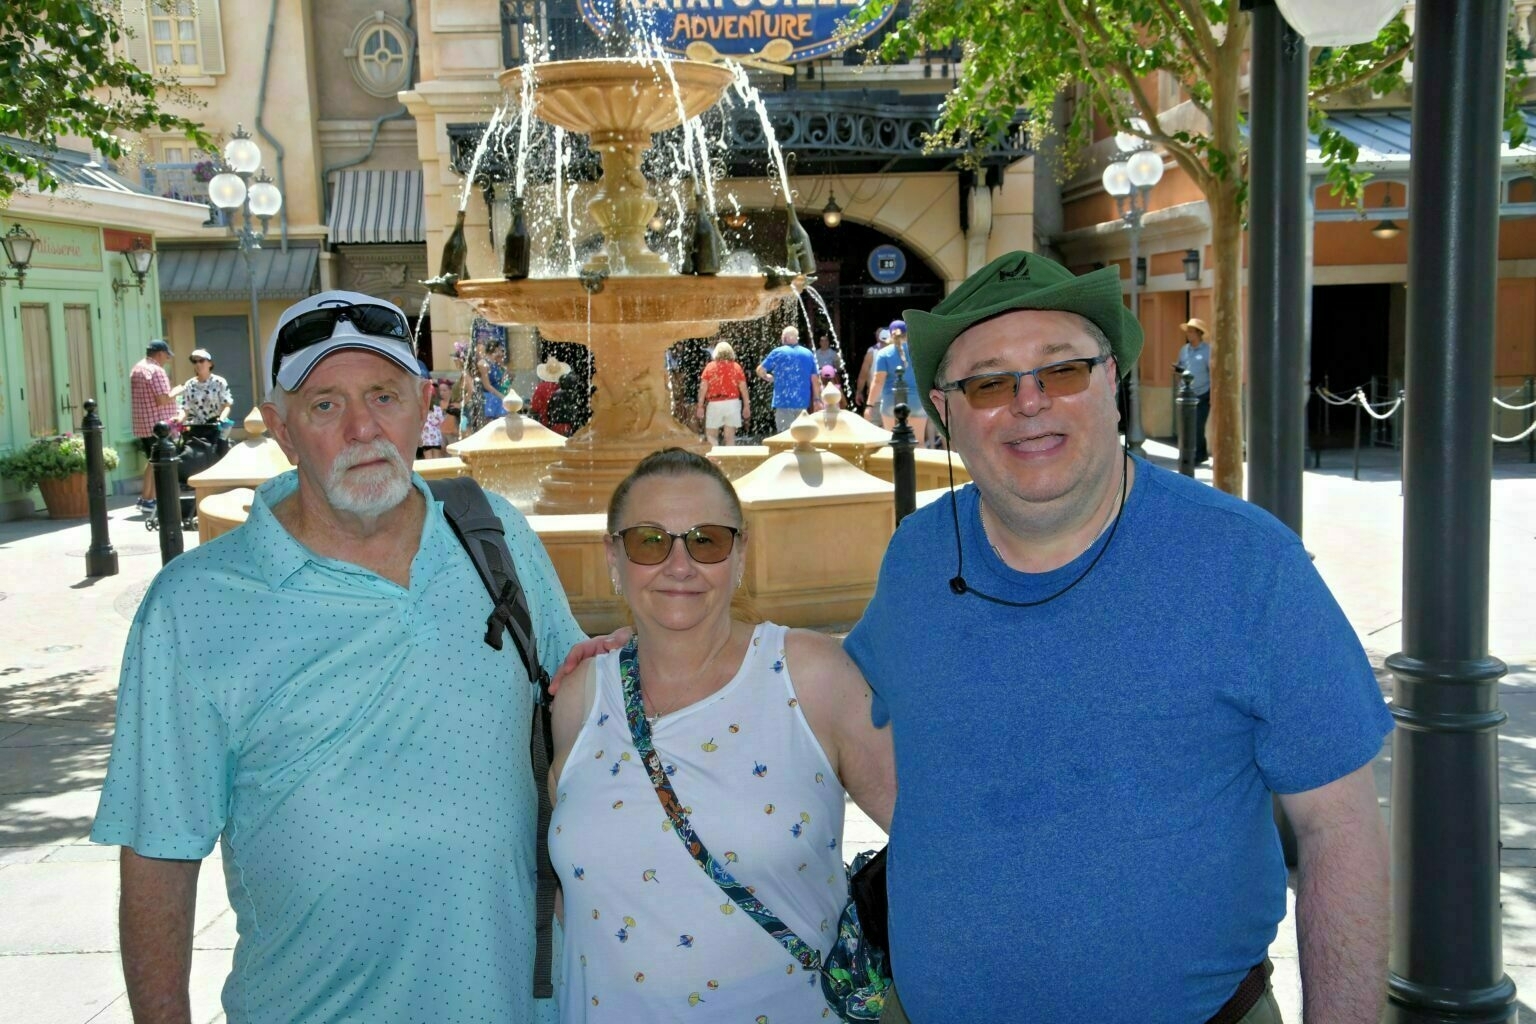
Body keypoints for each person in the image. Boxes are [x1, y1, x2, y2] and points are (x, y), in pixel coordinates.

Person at [845, 251, 1392, 1023]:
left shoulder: (1244, 562)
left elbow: (1339, 827)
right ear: (944, 408)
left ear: (1111, 381)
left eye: (1061, 370)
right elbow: (845, 709)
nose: (1029, 403)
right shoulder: (917, 556)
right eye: (990, 383)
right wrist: (653, 653)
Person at [91, 290, 586, 1024]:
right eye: (325, 405)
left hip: (514, 1002)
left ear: (423, 405)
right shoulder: (194, 606)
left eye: (384, 395)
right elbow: (160, 853)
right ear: (283, 429)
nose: (362, 427)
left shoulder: (493, 534)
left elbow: (582, 710)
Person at [547, 448, 894, 1021]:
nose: (679, 564)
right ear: (613, 557)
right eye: (649, 541)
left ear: (740, 555)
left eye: (706, 540)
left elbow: (932, 840)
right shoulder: (581, 697)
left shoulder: (810, 676)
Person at [129, 339, 179, 513]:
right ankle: (150, 499)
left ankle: (145, 498)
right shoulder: (156, 371)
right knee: (157, 462)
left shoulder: (137, 368)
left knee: (151, 461)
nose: (167, 359)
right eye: (166, 355)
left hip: (143, 423)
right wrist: (179, 390)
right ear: (159, 354)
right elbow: (162, 398)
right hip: (159, 425)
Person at [868, 320, 928, 444]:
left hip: (891, 403)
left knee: (892, 443)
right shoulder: (919, 352)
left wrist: (869, 405)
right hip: (917, 402)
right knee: (919, 443)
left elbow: (878, 381)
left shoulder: (883, 354)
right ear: (908, 334)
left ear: (890, 334)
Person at [754, 325, 817, 433]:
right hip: (802, 402)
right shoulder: (808, 354)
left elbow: (760, 370)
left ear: (785, 338)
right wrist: (817, 399)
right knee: (801, 436)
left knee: (784, 437)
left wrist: (767, 377)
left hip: (783, 402)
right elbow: (815, 379)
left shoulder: (778, 352)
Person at [696, 340, 751, 446]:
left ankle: (715, 459)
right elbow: (743, 388)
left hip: (715, 403)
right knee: (730, 438)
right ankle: (730, 460)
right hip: (733, 403)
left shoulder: (710, 367)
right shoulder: (736, 367)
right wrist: (746, 406)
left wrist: (700, 406)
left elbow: (703, 388)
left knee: (711, 435)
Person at [1176, 316, 1212, 463]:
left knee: (1198, 426)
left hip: (1203, 393)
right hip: (1185, 394)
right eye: (1188, 331)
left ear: (1198, 333)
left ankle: (1197, 455)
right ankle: (1199, 454)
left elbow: (1213, 372)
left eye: (1191, 331)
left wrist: (1213, 396)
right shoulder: (1184, 350)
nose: (1188, 334)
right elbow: (1180, 367)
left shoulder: (1208, 351)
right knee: (1187, 427)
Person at [178, 348, 234, 427]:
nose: (198, 364)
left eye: (201, 361)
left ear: (210, 363)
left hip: (215, 425)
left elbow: (226, 405)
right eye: (195, 362)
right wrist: (178, 420)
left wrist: (222, 419)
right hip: (196, 426)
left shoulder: (219, 382)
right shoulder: (189, 384)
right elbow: (185, 409)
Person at [531, 355, 575, 435]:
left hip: (547, 427)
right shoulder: (564, 387)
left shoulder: (541, 388)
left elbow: (535, 407)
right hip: (566, 426)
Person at [856, 327, 889, 421]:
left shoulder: (871, 354)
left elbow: (863, 375)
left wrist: (859, 392)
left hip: (875, 400)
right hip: (892, 400)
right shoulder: (900, 353)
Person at [479, 338, 512, 420]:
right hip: (489, 398)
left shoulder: (496, 363)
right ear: (495, 349)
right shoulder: (483, 363)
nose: (502, 353)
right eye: (501, 350)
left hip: (498, 396)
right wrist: (501, 396)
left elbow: (503, 382)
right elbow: (486, 385)